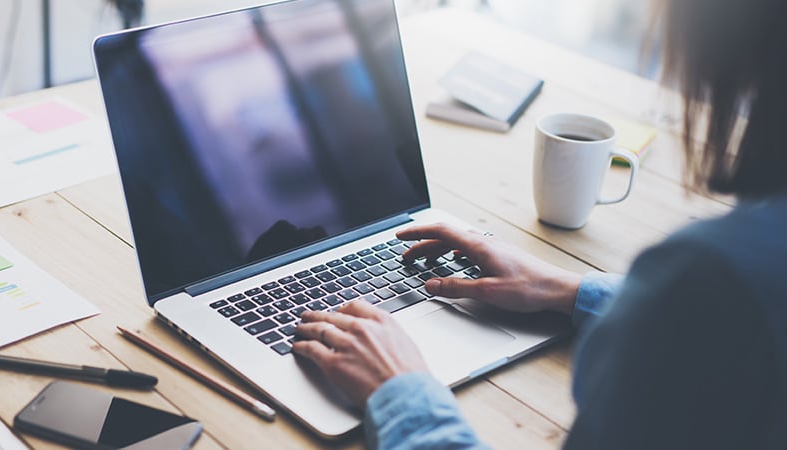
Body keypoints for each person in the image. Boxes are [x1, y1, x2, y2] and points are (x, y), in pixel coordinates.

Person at [292, 0, 787, 448]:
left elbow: (717, 312)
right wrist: (569, 289)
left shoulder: (710, 278)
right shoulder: (723, 277)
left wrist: (399, 391)